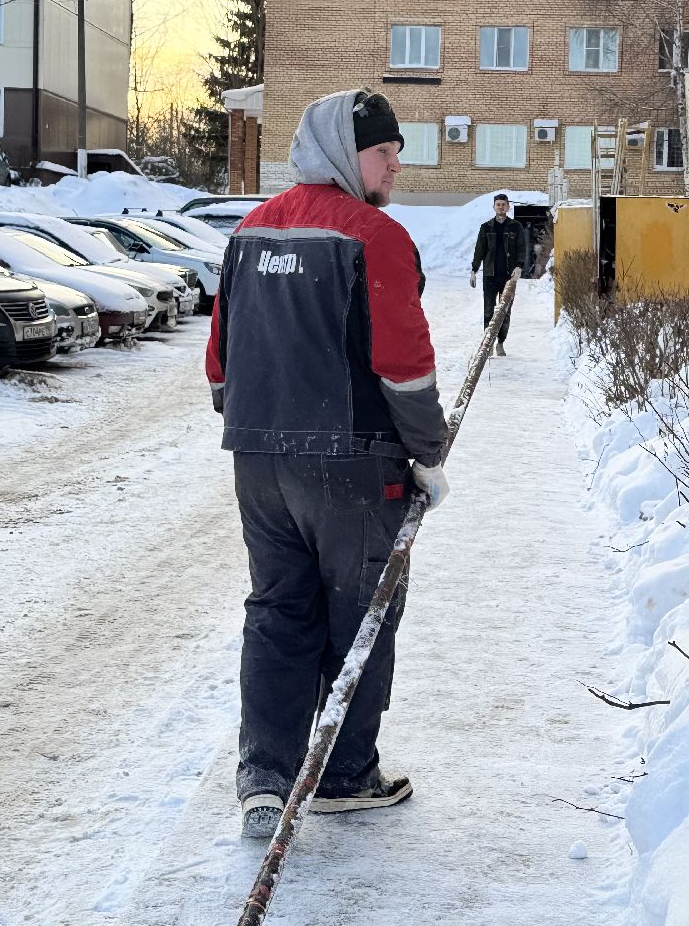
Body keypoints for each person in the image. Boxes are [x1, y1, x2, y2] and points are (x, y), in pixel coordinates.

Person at [205, 90, 450, 838]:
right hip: (351, 464)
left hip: (257, 460)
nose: (396, 165)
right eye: (384, 152)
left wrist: (254, 427)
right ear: (347, 153)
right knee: (360, 614)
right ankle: (344, 774)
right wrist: (428, 451)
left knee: (278, 611)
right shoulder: (373, 236)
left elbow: (220, 359)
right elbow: (403, 365)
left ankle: (266, 777)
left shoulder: (249, 231)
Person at [469, 193, 526, 356]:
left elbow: (522, 248)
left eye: (503, 204)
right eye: (498, 204)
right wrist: (474, 269)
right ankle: (488, 344)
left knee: (505, 311)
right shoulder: (486, 227)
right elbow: (479, 250)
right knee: (489, 310)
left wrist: (519, 266)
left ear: (508, 207)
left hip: (509, 276)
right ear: (494, 207)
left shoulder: (516, 227)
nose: (501, 207)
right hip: (490, 275)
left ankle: (500, 342)